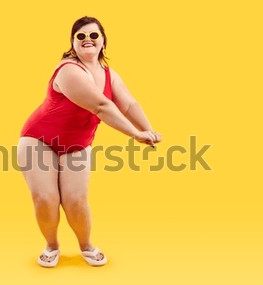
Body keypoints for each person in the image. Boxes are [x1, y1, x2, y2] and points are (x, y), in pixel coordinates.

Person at [17, 16, 161, 267]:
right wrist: (135, 135)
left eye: (94, 35)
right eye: (80, 36)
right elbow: (101, 106)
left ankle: (86, 246)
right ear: (73, 44)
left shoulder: (109, 74)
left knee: (76, 200)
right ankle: (52, 246)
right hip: (38, 139)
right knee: (46, 198)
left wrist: (148, 129)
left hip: (77, 144)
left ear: (103, 42)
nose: (87, 40)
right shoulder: (70, 70)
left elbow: (128, 103)